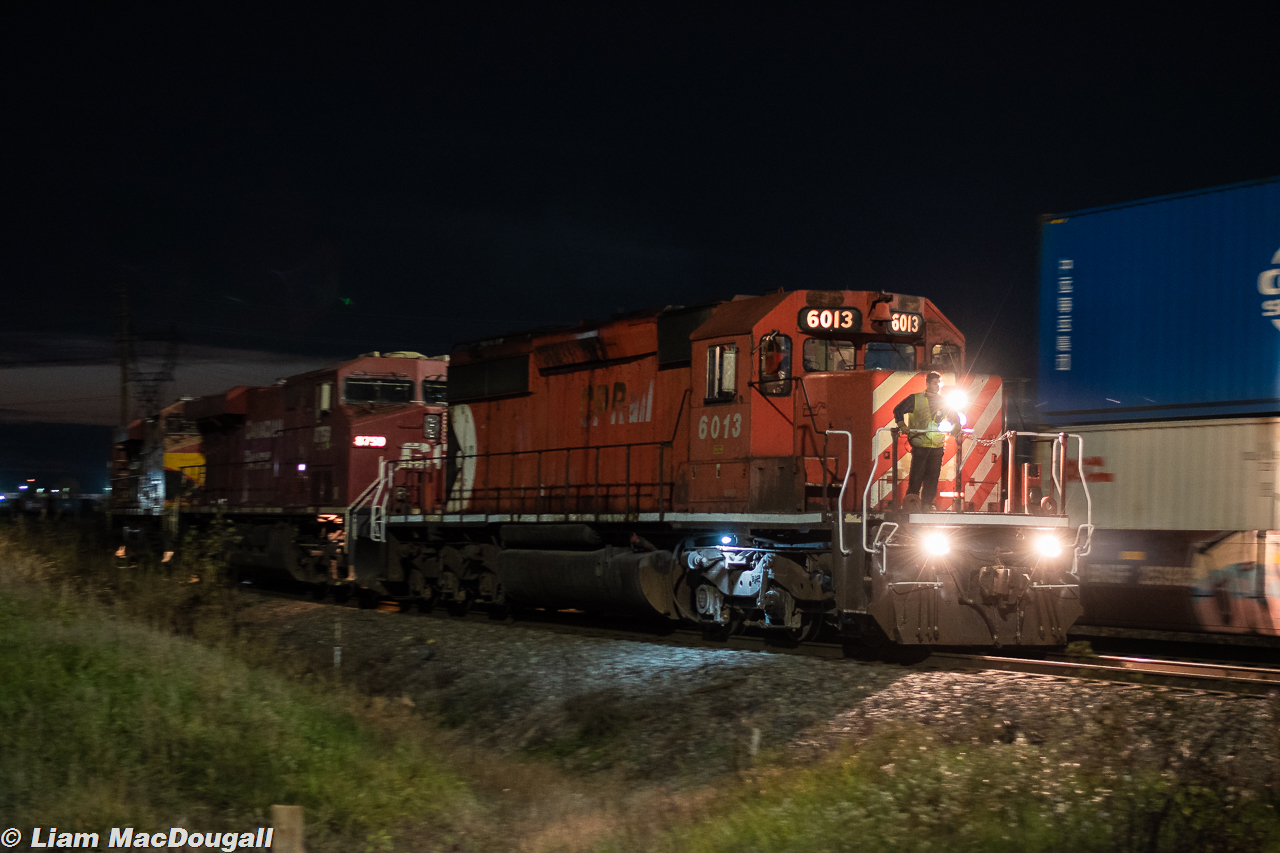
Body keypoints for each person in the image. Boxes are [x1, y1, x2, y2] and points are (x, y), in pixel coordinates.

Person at [892, 371, 961, 509]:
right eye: (934, 383)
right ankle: (911, 505)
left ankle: (926, 506)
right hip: (920, 446)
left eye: (938, 383)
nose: (937, 386)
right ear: (928, 383)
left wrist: (956, 426)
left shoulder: (944, 402)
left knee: (932, 479)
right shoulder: (915, 399)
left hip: (937, 447)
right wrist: (901, 425)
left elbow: (956, 418)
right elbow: (898, 410)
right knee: (916, 478)